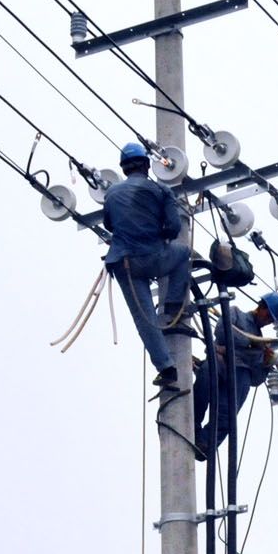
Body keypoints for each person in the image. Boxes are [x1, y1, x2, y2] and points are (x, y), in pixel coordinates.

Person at [100, 143, 191, 390]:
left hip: (124, 264)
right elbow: (174, 228)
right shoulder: (160, 190)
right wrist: (156, 230)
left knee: (144, 318)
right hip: (152, 257)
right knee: (184, 254)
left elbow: (109, 224)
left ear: (124, 168)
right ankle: (173, 308)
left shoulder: (112, 194)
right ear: (146, 165)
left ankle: (166, 368)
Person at [193, 291, 278, 461]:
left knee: (227, 413)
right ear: (261, 306)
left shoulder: (263, 343)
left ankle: (205, 443)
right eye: (268, 316)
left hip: (241, 375)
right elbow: (221, 332)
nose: (268, 321)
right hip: (220, 361)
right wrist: (250, 342)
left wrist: (266, 363)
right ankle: (192, 426)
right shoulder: (236, 313)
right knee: (205, 379)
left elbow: (256, 379)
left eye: (271, 320)